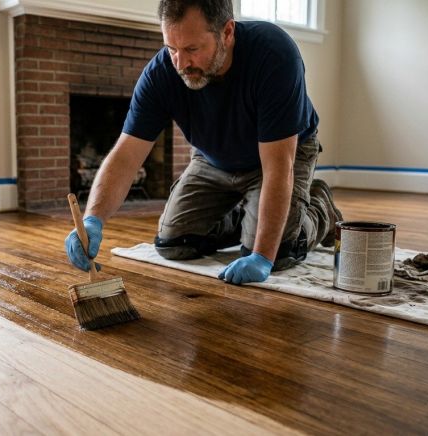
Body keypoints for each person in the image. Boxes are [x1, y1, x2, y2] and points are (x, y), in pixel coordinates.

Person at [65, 0, 342, 285]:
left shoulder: (274, 55)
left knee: (279, 252)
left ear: (228, 32)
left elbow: (278, 167)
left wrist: (262, 255)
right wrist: (93, 219)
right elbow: (126, 155)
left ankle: (319, 206)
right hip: (213, 158)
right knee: (174, 243)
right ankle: (249, 216)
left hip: (278, 156)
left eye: (192, 50)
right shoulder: (161, 73)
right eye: (171, 49)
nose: (180, 63)